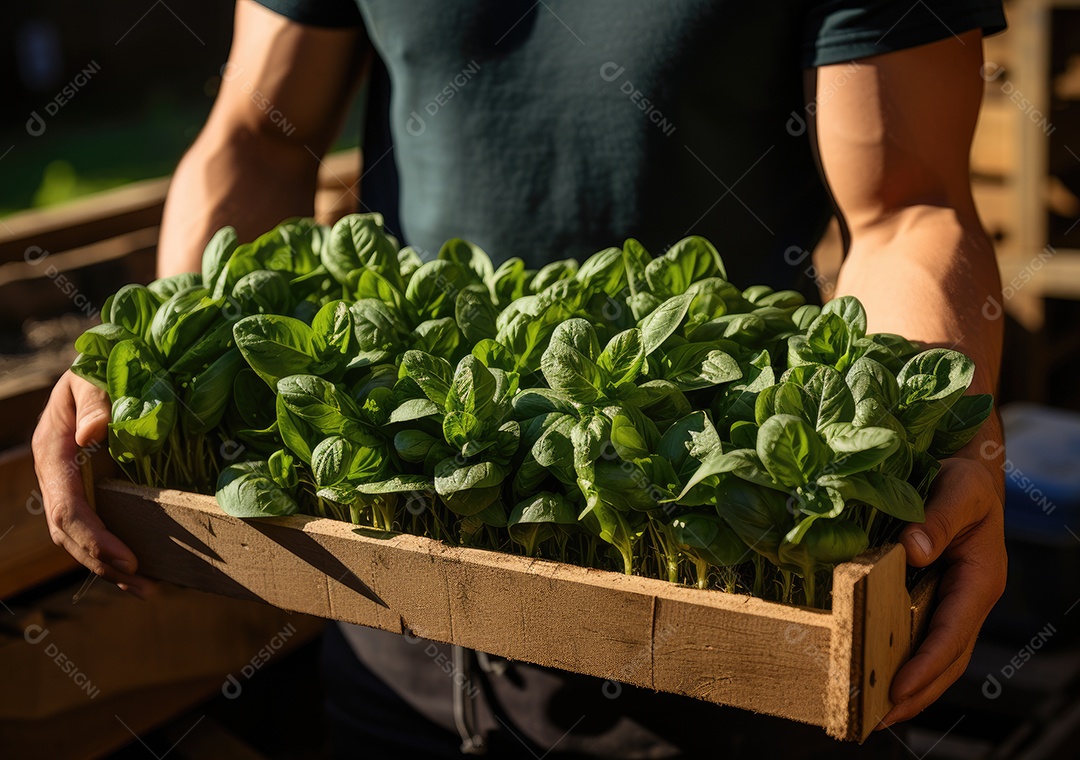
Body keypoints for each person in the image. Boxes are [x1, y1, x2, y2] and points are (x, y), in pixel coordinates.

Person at [33, 1, 1009, 756]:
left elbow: (909, 206)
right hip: (388, 605)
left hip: (730, 613)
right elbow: (259, 132)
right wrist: (159, 358)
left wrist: (945, 435)